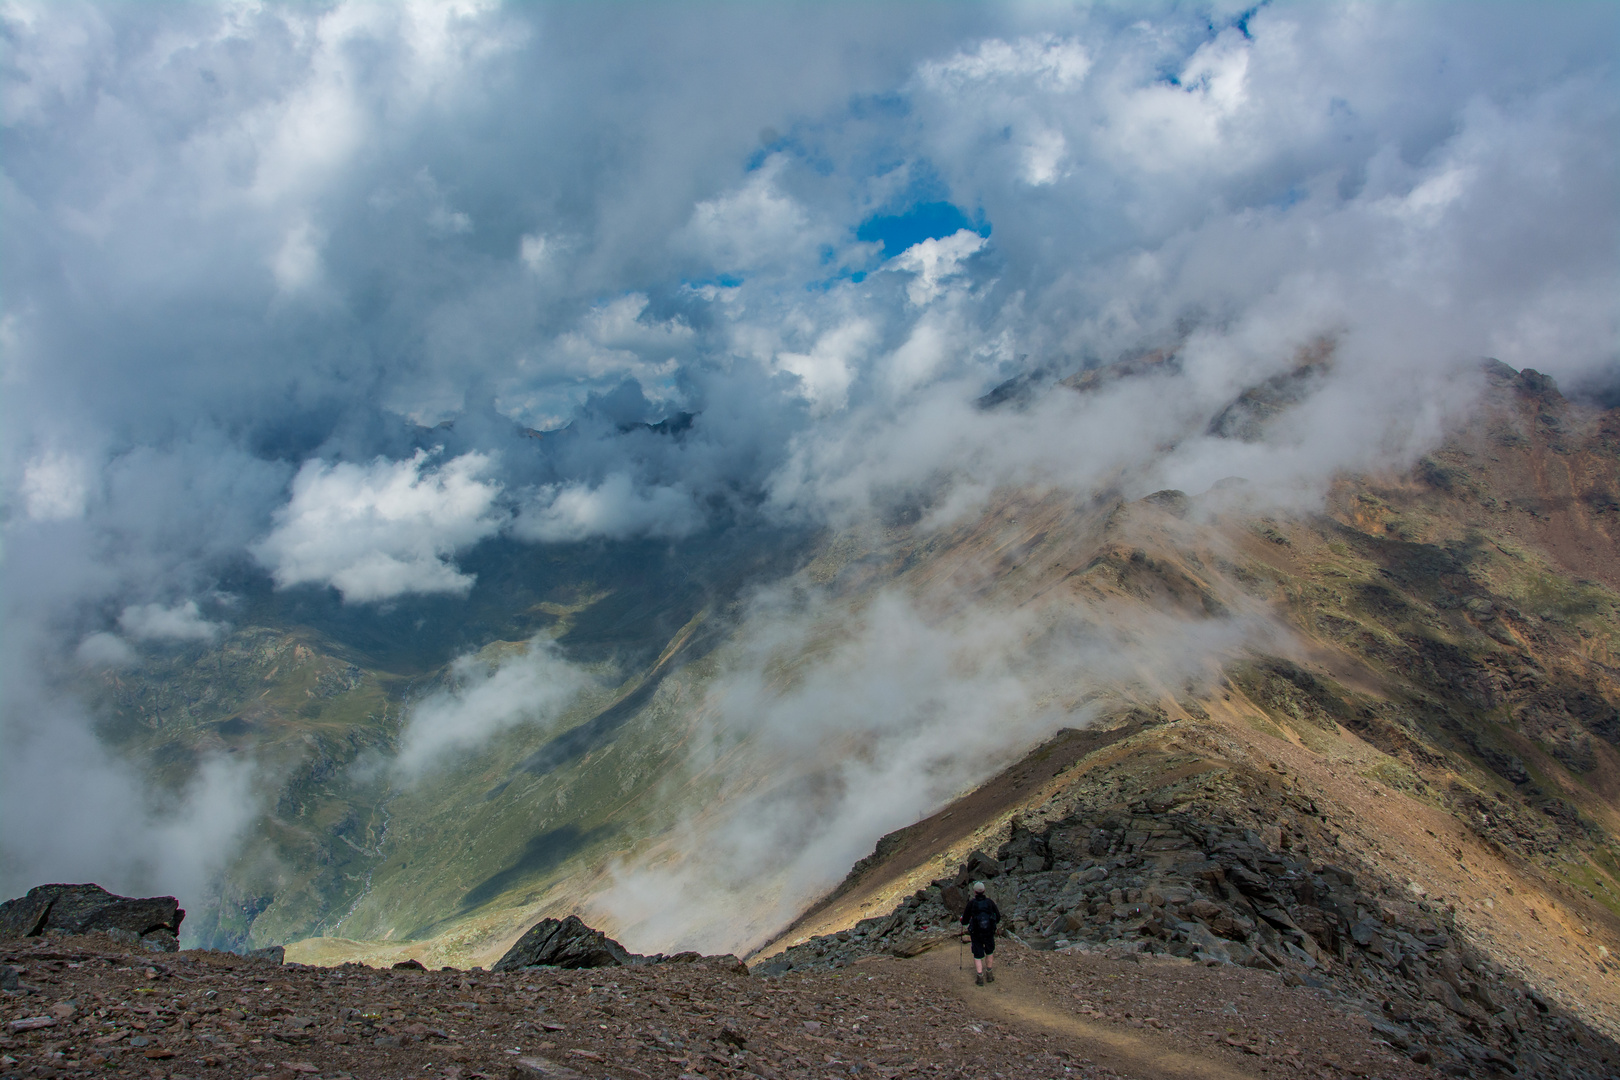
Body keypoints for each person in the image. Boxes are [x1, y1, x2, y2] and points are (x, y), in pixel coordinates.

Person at [959, 881, 1000, 985]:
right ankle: (989, 973)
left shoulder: (971, 903)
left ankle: (980, 976)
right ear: (984, 891)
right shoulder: (990, 902)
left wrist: (962, 920)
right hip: (989, 931)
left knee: (977, 953)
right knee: (989, 951)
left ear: (975, 892)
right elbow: (998, 916)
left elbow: (965, 920)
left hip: (976, 933)